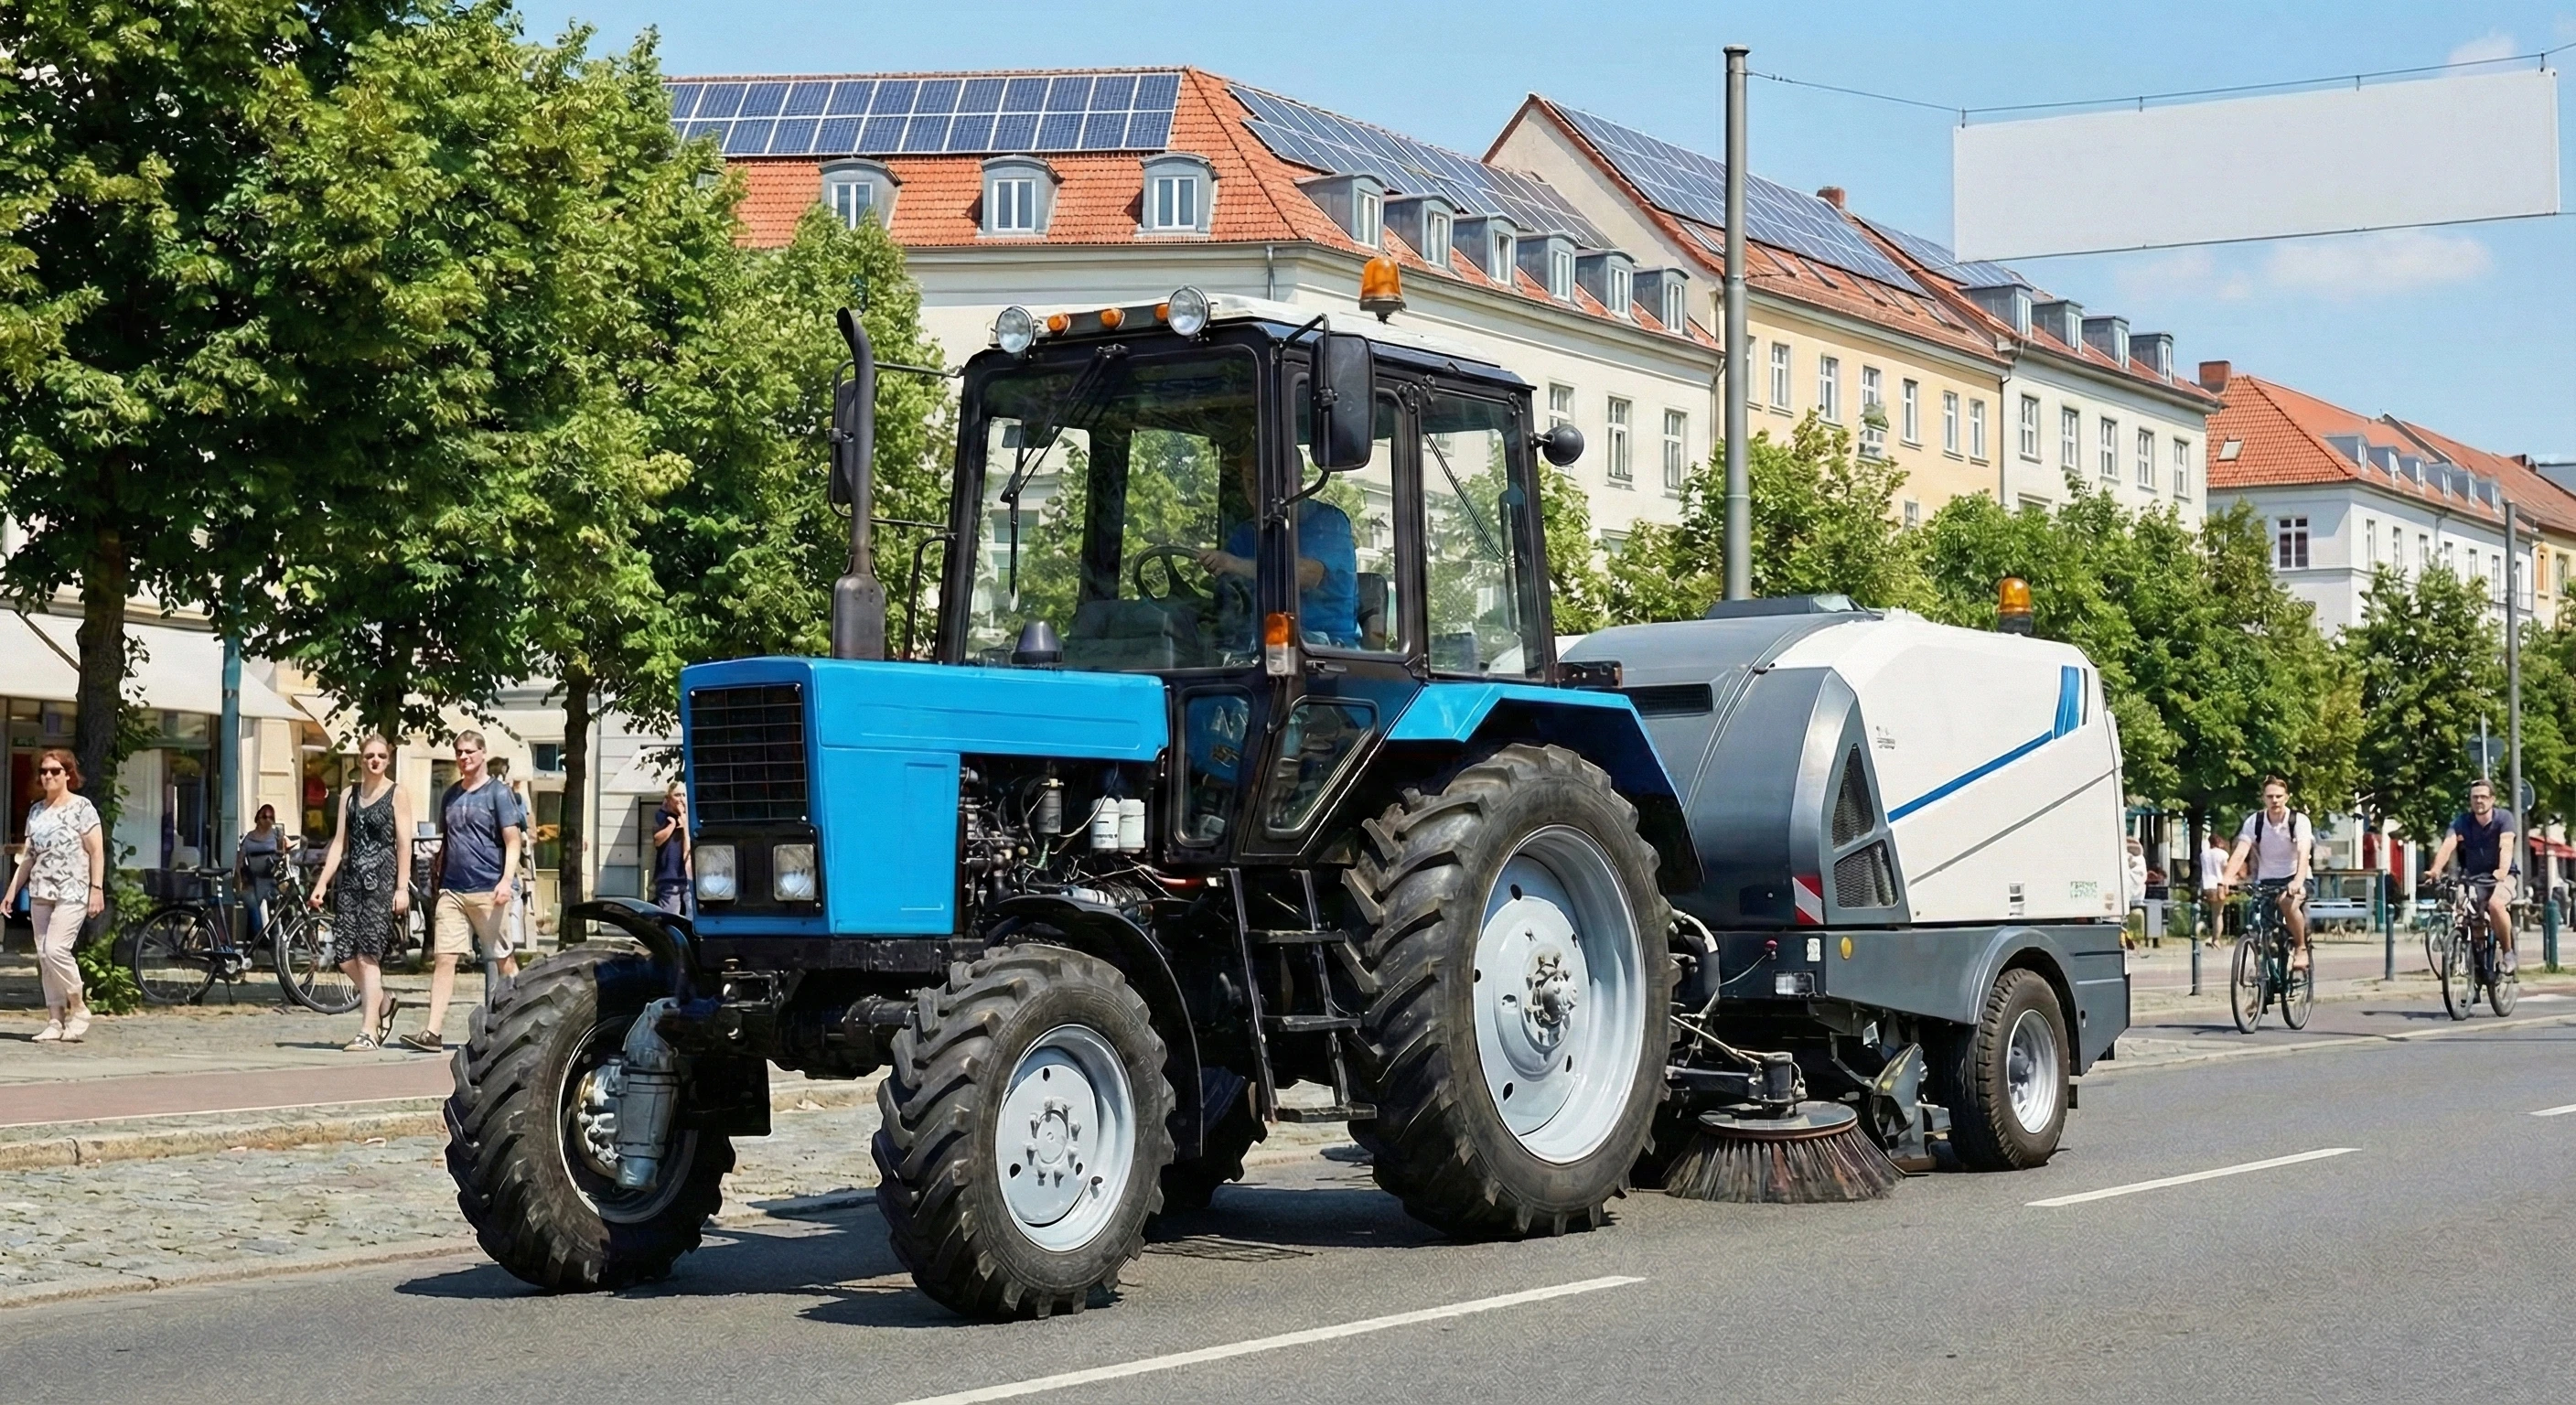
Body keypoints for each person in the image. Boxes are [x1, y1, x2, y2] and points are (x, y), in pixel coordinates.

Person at [403, 731, 524, 1053]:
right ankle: (432, 1031)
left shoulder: (498, 793)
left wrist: (505, 880)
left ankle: (521, 1024)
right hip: (453, 889)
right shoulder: (451, 795)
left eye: (470, 752)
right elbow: (448, 839)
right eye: (459, 752)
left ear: (483, 754)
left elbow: (513, 840)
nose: (463, 757)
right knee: (445, 957)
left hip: (488, 886)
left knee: (503, 958)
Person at [1195, 439, 1358, 648]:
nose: (1254, 491)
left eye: (1263, 482)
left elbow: (1307, 575)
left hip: (1324, 648)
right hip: (1259, 644)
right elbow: (1229, 593)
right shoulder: (1246, 533)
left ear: (1295, 482)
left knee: (1277, 641)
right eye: (1249, 482)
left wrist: (1232, 564)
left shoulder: (1328, 523)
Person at [307, 736, 410, 1051]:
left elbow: (405, 843)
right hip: (352, 882)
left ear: (388, 760)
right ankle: (384, 1002)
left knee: (368, 955)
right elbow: (340, 842)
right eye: (369, 756)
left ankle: (368, 1030)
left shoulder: (397, 794)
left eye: (381, 756)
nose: (375, 761)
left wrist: (402, 887)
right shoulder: (349, 796)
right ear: (361, 760)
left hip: (381, 881)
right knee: (344, 956)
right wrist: (322, 882)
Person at [3, 749, 103, 1042]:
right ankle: (55, 1021)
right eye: (44, 771)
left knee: (56, 949)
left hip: (73, 889)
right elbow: (29, 856)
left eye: (55, 771)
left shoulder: (82, 808)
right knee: (44, 958)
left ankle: (79, 1005)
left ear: (68, 774)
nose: (48, 775)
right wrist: (12, 890)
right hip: (41, 890)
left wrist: (96, 889)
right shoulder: (36, 811)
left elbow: (96, 851)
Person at [2428, 778, 2519, 975]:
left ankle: (2508, 953)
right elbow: (2448, 844)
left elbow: (2507, 845)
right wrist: (2436, 869)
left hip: (2503, 876)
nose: (2479, 801)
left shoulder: (2504, 818)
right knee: (2469, 917)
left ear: (2492, 799)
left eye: (2483, 797)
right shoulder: (2462, 821)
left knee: (2495, 905)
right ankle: (2477, 970)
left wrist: (2502, 870)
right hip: (2473, 878)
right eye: (2474, 797)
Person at [2220, 777, 2313, 971]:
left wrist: (2297, 880)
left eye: (2279, 796)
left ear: (2286, 798)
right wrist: (2227, 878)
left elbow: (2303, 853)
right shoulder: (2255, 822)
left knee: (2288, 903)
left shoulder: (2298, 821)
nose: (2275, 800)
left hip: (2295, 876)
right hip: (2267, 879)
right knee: (2260, 926)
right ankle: (2262, 983)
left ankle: (2301, 947)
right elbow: (2241, 851)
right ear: (2263, 798)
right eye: (2270, 796)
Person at [237, 804, 284, 951]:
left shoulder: (276, 835)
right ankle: (259, 938)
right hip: (254, 879)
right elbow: (239, 861)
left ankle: (275, 942)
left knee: (276, 910)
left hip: (272, 879)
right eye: (265, 816)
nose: (268, 820)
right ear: (258, 818)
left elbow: (282, 854)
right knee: (252, 904)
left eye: (271, 817)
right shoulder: (249, 838)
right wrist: (239, 878)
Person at [651, 781, 692, 917]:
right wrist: (673, 825)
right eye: (677, 795)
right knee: (670, 918)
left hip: (689, 876)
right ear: (668, 799)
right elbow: (657, 840)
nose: (681, 799)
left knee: (692, 917)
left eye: (684, 795)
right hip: (669, 877)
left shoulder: (690, 818)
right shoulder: (663, 816)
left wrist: (684, 821)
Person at [2198, 830, 2231, 938]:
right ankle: (2215, 939)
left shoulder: (2204, 854)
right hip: (2219, 885)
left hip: (2206, 885)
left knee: (2209, 912)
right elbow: (2225, 871)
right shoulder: (2223, 854)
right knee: (2218, 914)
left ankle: (2202, 930)